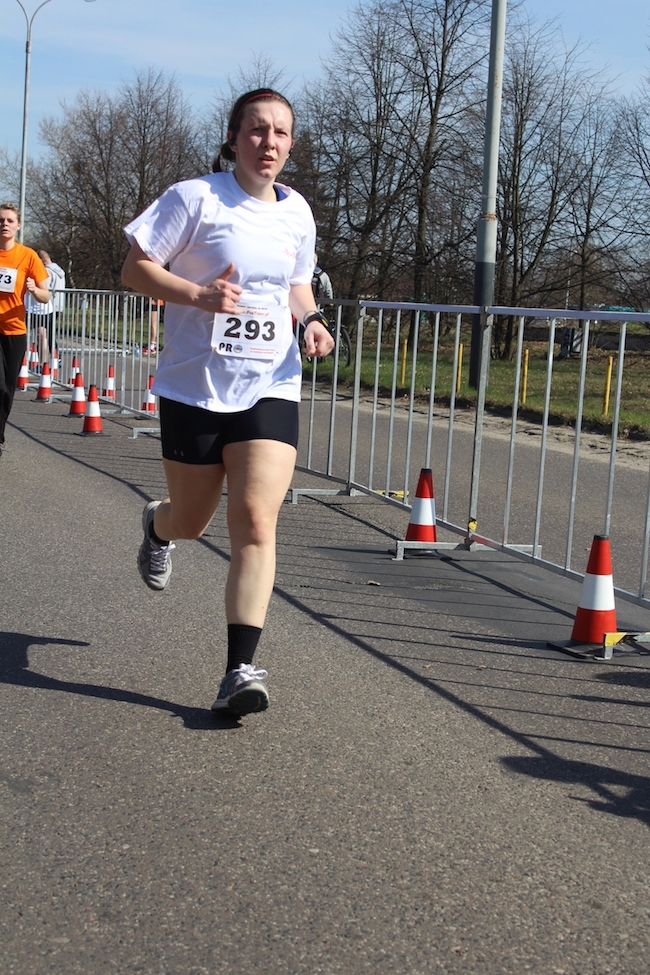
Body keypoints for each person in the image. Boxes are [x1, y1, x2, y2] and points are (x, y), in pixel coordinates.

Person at [121, 88, 333, 716]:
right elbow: (135, 270)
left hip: (271, 381)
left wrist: (311, 320)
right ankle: (157, 526)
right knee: (192, 521)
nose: (269, 142)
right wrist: (198, 295)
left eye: (281, 133)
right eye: (257, 130)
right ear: (234, 137)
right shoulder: (195, 198)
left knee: (257, 520)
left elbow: (295, 284)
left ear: (290, 145)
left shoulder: (297, 211)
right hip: (196, 386)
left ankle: (240, 669)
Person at [0, 204, 50, 455]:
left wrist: (34, 289)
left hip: (14, 330)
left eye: (10, 220)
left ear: (18, 225)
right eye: (1, 220)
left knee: (7, 389)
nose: (4, 224)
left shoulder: (28, 256)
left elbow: (46, 296)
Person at [24, 249, 66, 364]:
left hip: (41, 306)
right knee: (47, 334)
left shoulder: (45, 271)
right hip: (53, 305)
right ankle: (53, 358)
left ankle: (46, 361)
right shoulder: (59, 270)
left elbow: (43, 288)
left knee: (42, 335)